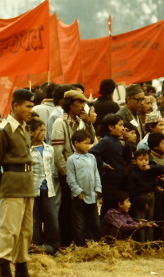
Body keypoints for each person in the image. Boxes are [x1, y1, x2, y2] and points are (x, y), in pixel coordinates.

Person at [0, 88, 36, 277]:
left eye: (32, 106)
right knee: (9, 230)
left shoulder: (25, 128)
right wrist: (1, 186)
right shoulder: (3, 131)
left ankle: (21, 264)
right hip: (12, 184)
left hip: (27, 184)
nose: (31, 110)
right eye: (28, 106)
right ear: (15, 105)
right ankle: (5, 266)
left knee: (26, 230)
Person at [51, 89, 94, 246]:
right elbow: (57, 153)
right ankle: (65, 242)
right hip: (68, 175)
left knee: (79, 210)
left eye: (83, 103)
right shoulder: (60, 123)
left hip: (81, 172)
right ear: (70, 104)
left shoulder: (79, 122)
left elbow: (91, 141)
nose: (82, 106)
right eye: (79, 102)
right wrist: (67, 174)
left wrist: (89, 123)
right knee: (67, 209)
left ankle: (79, 241)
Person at [66, 130, 102, 246]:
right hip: (79, 197)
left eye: (89, 143)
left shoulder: (91, 157)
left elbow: (96, 173)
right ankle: (80, 246)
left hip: (92, 195)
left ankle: (95, 244)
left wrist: (98, 189)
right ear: (76, 143)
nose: (88, 146)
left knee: (94, 222)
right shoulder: (72, 160)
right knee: (79, 224)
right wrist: (78, 192)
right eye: (85, 143)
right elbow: (71, 179)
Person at [28, 118, 59, 255]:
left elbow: (51, 167)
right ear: (31, 132)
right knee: (34, 220)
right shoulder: (27, 151)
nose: (42, 133)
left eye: (44, 130)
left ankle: (53, 248)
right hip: (33, 190)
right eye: (39, 130)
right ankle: (36, 248)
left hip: (49, 189)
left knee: (51, 219)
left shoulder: (49, 149)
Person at [89, 114, 126, 220]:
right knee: (109, 209)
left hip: (119, 180)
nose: (123, 128)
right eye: (120, 125)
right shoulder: (106, 141)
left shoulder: (117, 141)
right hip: (110, 182)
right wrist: (103, 164)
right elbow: (91, 153)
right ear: (111, 127)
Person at [127, 149, 164, 242]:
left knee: (150, 222)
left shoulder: (150, 170)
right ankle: (142, 244)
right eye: (140, 160)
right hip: (140, 199)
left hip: (151, 197)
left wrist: (151, 167)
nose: (143, 162)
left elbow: (163, 169)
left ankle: (149, 244)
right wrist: (141, 204)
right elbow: (132, 192)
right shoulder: (133, 174)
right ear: (135, 161)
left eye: (146, 159)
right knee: (141, 223)